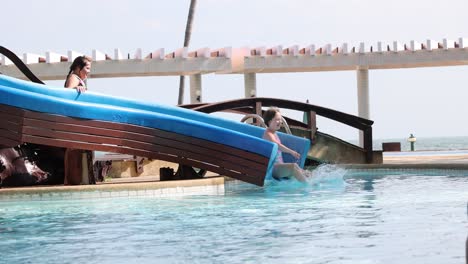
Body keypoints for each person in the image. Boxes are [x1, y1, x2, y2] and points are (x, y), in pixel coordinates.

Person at [262, 107, 309, 182]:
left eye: (280, 119)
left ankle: (312, 179)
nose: (280, 122)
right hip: (272, 168)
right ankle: (307, 185)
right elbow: (278, 145)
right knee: (293, 167)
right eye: (277, 120)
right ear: (270, 121)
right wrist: (291, 152)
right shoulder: (268, 134)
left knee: (302, 170)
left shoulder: (274, 133)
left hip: (278, 166)